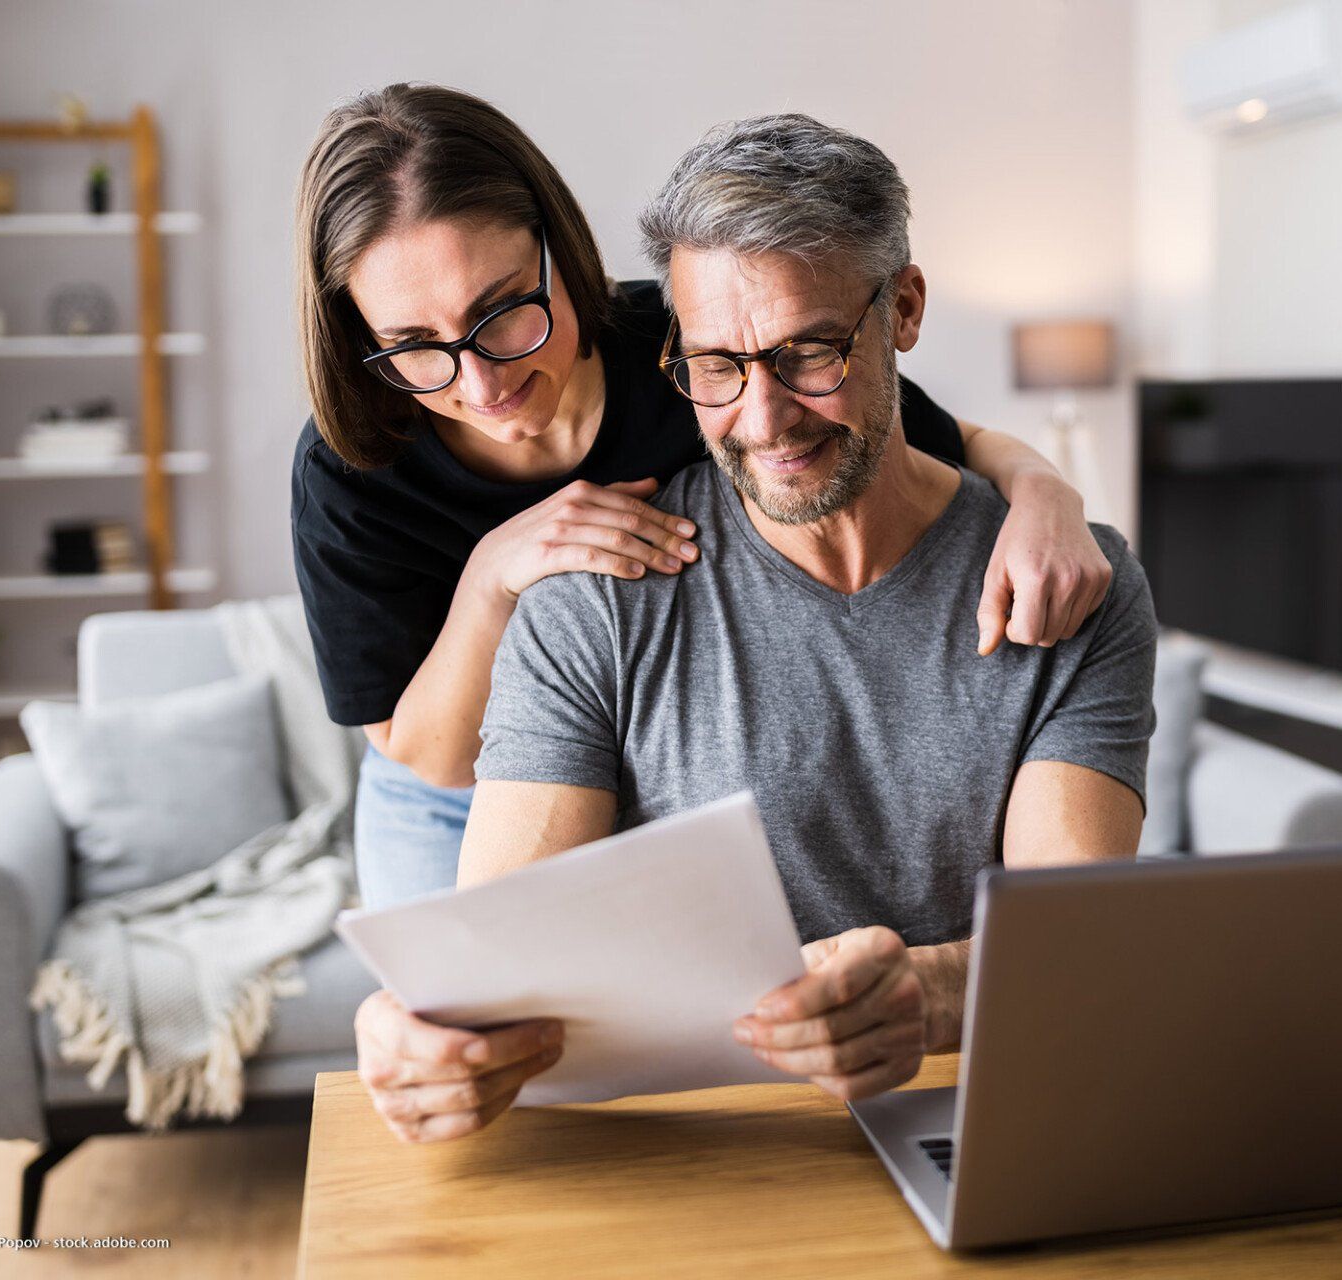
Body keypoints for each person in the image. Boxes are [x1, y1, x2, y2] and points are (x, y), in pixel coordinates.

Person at [353, 114, 1157, 1144]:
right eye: (716, 365)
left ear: (903, 310)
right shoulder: (592, 596)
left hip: (978, 1128)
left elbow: (1078, 943)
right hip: (701, 1161)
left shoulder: (1065, 583)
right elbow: (497, 968)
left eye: (808, 352)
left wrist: (934, 994)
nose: (765, 418)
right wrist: (408, 1029)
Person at [291, 84, 1119, 910]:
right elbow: (426, 755)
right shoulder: (354, 462)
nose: (482, 380)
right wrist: (492, 575)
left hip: (611, 752)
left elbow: (938, 440)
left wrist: (1046, 495)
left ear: (559, 251)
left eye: (504, 311)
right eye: (413, 345)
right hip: (448, 793)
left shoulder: (701, 343)